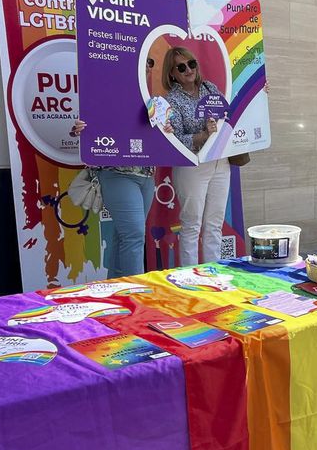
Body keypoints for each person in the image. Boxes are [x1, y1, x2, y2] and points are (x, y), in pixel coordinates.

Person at [161, 46, 228, 266]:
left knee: (215, 223)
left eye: (191, 64)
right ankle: (191, 279)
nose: (188, 69)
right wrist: (204, 134)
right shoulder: (172, 100)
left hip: (220, 161)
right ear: (172, 73)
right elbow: (176, 141)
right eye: (181, 67)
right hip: (192, 165)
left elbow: (229, 117)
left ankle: (214, 274)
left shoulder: (211, 89)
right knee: (191, 225)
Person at [69, 121, 155, 280]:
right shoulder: (106, 98)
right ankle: (135, 292)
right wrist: (82, 129)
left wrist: (166, 127)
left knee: (123, 234)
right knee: (134, 235)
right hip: (117, 172)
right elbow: (81, 128)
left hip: (147, 173)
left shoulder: (148, 98)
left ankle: (115, 287)